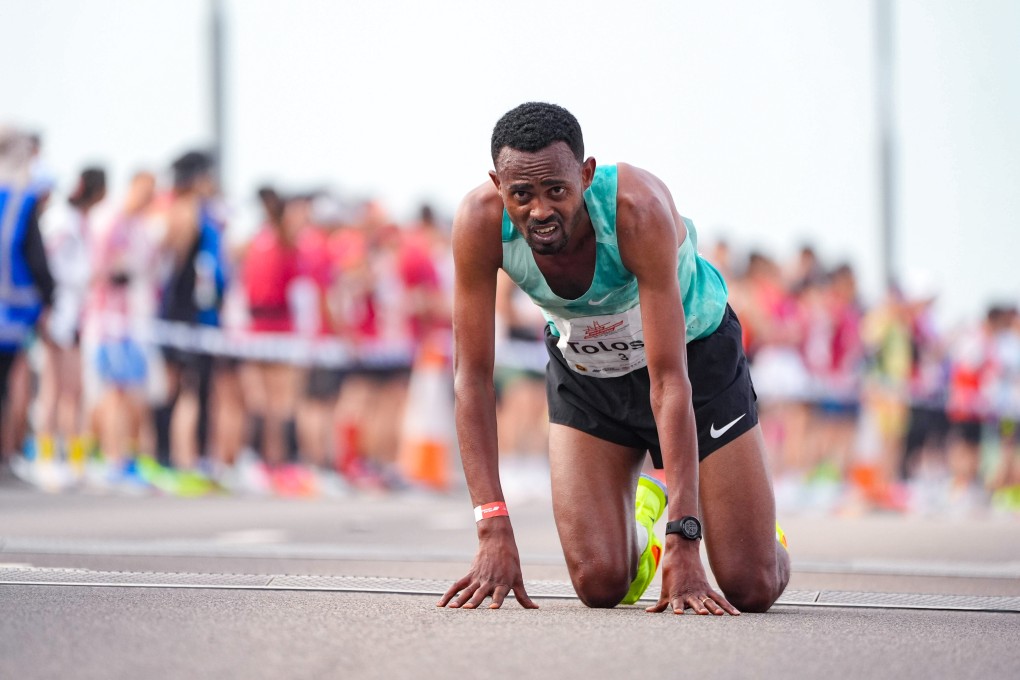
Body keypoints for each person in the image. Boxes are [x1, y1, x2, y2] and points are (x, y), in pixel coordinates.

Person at [439, 102, 789, 614]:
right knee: (599, 586)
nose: (539, 211)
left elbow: (670, 382)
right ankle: (648, 521)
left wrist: (685, 539)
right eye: (521, 195)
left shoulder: (637, 210)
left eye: (556, 190)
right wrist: (492, 528)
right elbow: (471, 380)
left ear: (585, 175)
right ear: (498, 186)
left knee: (750, 586)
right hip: (589, 376)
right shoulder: (478, 224)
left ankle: (752, 522)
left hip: (692, 362)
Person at [0, 128, 55, 470]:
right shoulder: (22, 196)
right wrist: (48, 298)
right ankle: (9, 454)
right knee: (13, 383)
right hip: (13, 310)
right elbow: (35, 256)